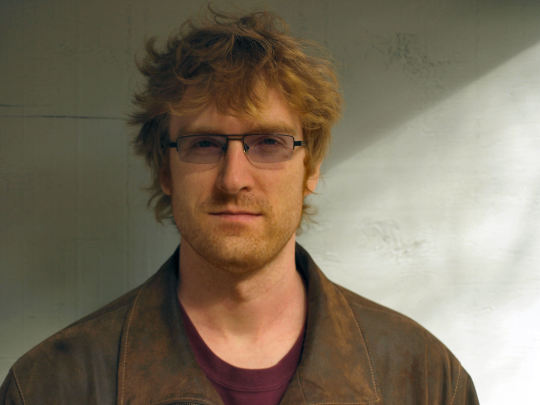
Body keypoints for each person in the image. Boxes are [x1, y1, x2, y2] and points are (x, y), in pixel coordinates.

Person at [0, 10, 479, 405]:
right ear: (165, 170)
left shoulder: (425, 379)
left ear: (311, 167)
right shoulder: (49, 386)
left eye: (268, 143)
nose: (233, 179)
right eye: (204, 144)